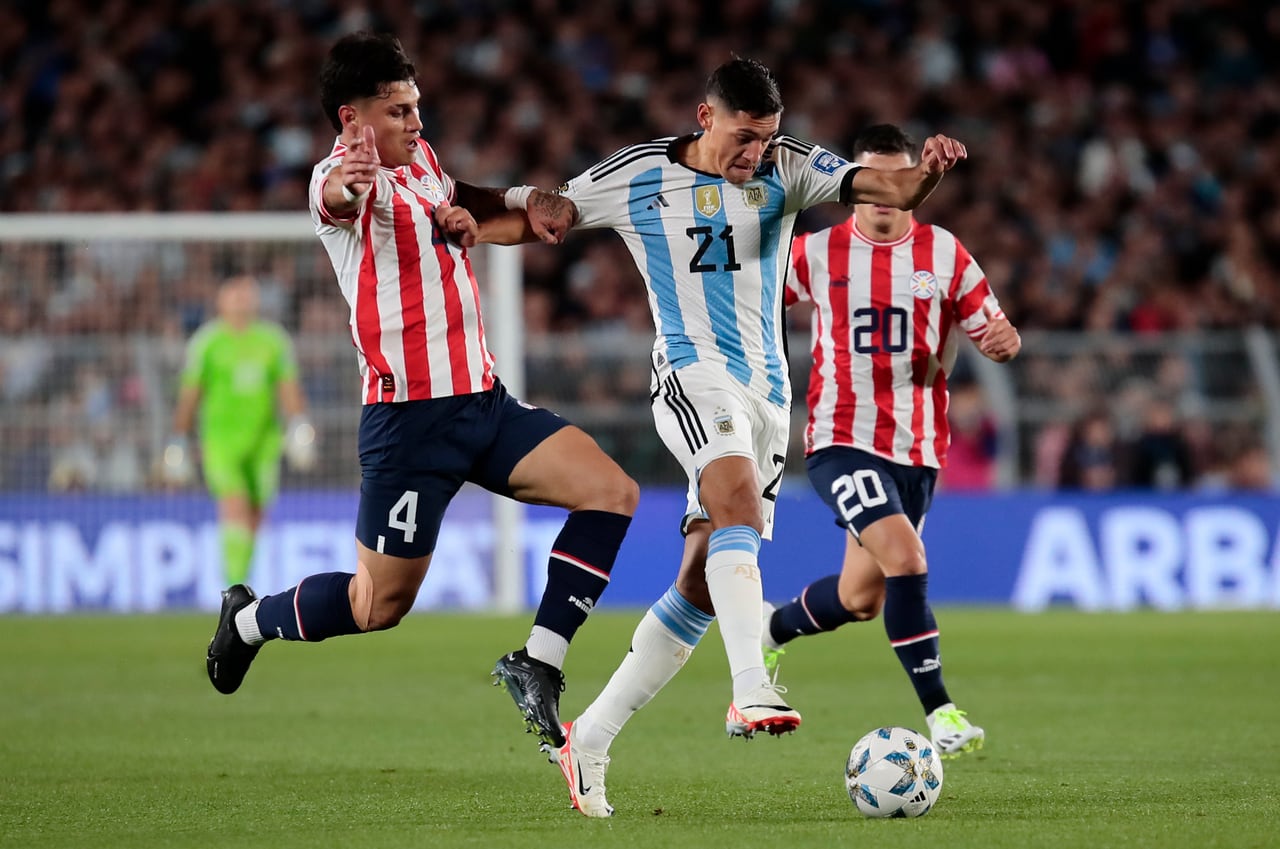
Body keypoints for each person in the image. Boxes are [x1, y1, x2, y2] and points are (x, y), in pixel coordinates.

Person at [540, 63, 967, 817]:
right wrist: (490, 210)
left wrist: (925, 176)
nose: (757, 153)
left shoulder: (792, 166)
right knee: (733, 501)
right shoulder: (641, 173)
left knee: (703, 581)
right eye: (745, 136)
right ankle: (751, 687)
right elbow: (551, 212)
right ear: (706, 116)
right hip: (691, 373)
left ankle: (592, 737)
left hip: (768, 396)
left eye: (768, 137)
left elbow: (892, 193)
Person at [204, 32, 639, 755]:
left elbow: (462, 196)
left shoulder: (422, 163)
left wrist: (521, 202)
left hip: (483, 403)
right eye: (398, 110)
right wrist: (350, 174)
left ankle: (539, 661)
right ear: (352, 119)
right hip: (408, 427)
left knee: (611, 492)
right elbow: (339, 194)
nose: (416, 123)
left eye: (416, 107)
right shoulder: (338, 181)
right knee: (376, 605)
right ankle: (246, 621)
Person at [764, 124, 1022, 761]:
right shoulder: (817, 252)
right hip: (841, 439)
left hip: (919, 449)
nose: (881, 197)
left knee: (860, 597)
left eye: (894, 184)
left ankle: (769, 627)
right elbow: (748, 294)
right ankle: (942, 713)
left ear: (913, 187)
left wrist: (1003, 340)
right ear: (852, 188)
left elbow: (995, 325)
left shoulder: (945, 254)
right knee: (906, 560)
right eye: (869, 184)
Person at [165, 275, 314, 585]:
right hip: (220, 443)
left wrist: (299, 425)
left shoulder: (273, 340)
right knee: (235, 505)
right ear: (221, 301)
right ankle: (233, 588)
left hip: (264, 443)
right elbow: (191, 394)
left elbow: (288, 387)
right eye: (235, 293)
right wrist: (178, 440)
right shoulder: (208, 342)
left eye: (248, 293)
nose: (242, 299)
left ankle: (241, 582)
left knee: (256, 515)